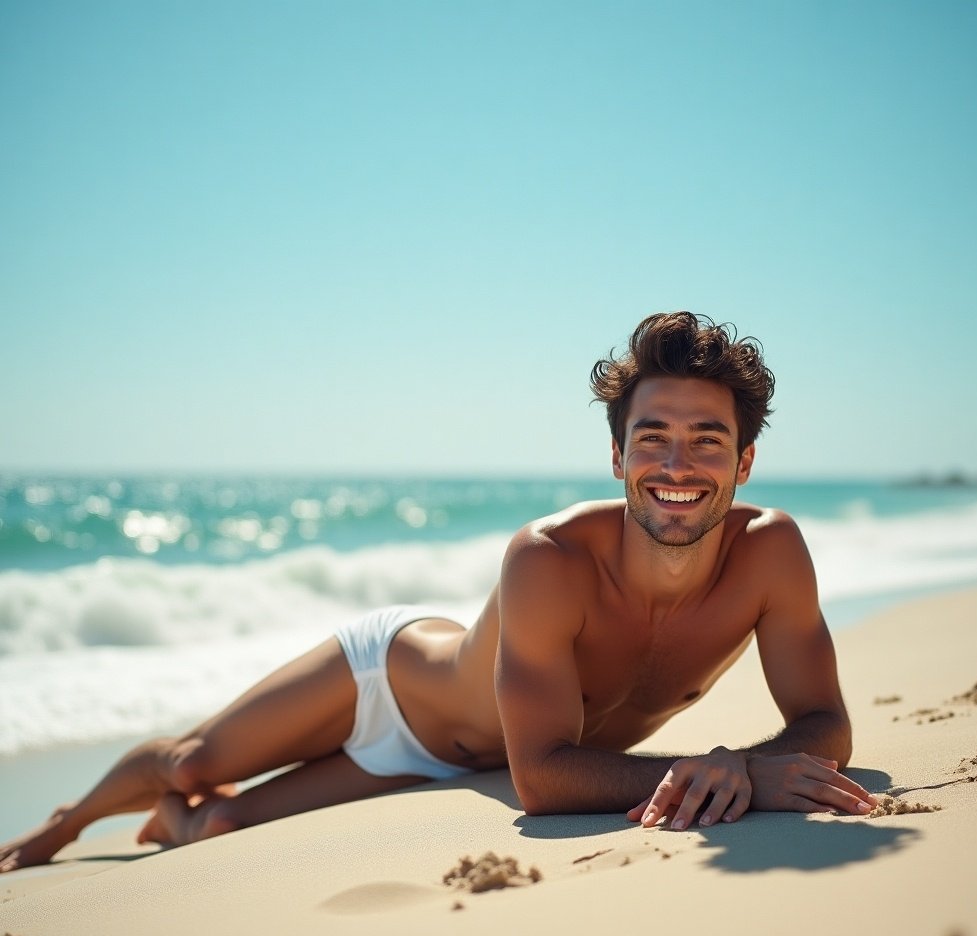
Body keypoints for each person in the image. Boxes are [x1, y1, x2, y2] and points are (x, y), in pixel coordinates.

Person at [0, 311, 875, 873]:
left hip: (469, 764)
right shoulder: (548, 559)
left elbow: (825, 724)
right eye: (653, 439)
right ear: (616, 458)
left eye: (706, 440)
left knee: (219, 826)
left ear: (745, 460)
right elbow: (541, 779)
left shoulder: (772, 555)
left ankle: (173, 827)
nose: (677, 467)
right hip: (388, 685)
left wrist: (752, 764)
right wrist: (741, 777)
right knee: (194, 764)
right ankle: (59, 830)